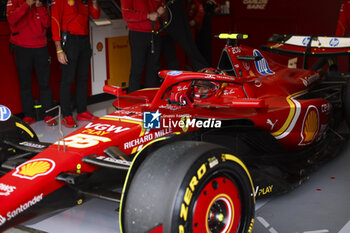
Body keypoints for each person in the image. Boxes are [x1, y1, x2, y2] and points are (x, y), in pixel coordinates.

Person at [7, 0, 57, 126]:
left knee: (45, 83)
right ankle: (28, 116)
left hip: (41, 47)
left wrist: (40, 8)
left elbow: (47, 23)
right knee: (25, 84)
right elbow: (11, 19)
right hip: (22, 48)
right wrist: (27, 4)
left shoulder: (41, 3)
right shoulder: (13, 1)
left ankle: (48, 115)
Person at [51, 0, 100, 128]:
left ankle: (82, 111)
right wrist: (58, 49)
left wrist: (94, 2)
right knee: (67, 79)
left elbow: (95, 15)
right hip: (69, 40)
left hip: (84, 40)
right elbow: (55, 21)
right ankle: (66, 115)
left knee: (83, 78)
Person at [121, 0, 166, 93]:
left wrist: (161, 12)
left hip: (155, 32)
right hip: (138, 34)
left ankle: (152, 101)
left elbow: (162, 10)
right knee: (137, 68)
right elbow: (126, 15)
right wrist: (148, 16)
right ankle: (133, 102)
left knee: (153, 69)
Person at [164, 0, 208, 71]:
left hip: (171, 10)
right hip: (159, 17)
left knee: (187, 43)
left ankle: (203, 69)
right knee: (168, 49)